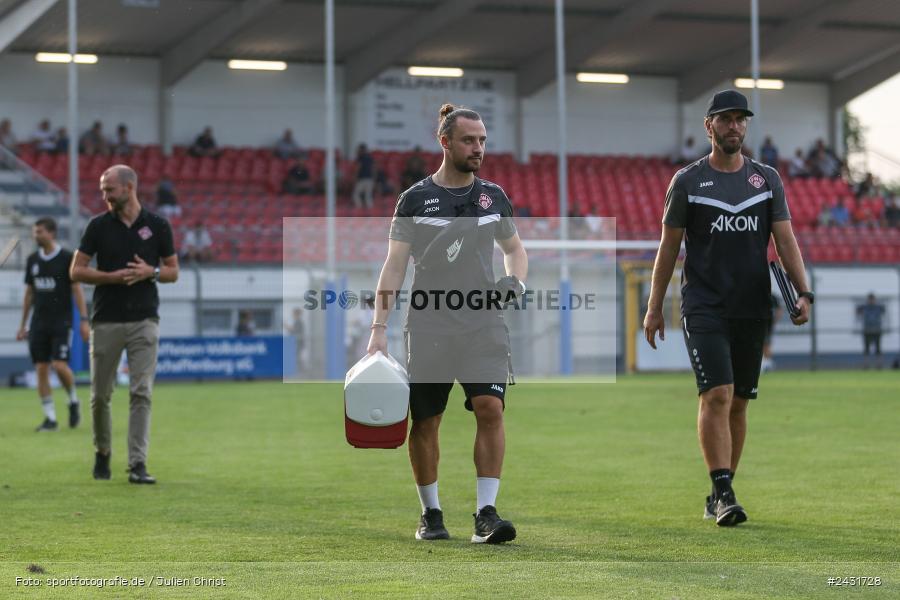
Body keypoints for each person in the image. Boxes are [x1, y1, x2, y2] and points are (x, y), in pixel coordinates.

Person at [643, 90, 813, 527]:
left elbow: (785, 239)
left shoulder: (766, 179)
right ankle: (723, 491)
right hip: (704, 305)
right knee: (716, 393)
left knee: (739, 402)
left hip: (751, 305)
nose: (734, 126)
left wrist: (803, 290)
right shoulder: (686, 181)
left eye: (741, 120)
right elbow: (668, 247)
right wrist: (654, 305)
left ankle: (721, 491)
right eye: (726, 119)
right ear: (709, 126)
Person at [367, 103, 528, 544]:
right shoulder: (415, 199)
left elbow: (516, 249)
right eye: (469, 140)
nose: (478, 148)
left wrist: (515, 280)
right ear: (445, 142)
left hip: (484, 322)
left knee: (490, 408)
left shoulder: (493, 196)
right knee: (426, 421)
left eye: (482, 141)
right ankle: (431, 514)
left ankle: (486, 515)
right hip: (429, 325)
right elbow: (394, 267)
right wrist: (378, 328)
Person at [70, 164, 179, 484]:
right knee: (100, 395)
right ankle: (102, 452)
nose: (104, 195)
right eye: (103, 190)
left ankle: (137, 464)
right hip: (106, 321)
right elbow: (76, 271)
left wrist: (152, 272)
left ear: (129, 188)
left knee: (141, 392)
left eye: (109, 189)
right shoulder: (97, 226)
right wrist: (109, 278)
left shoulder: (158, 226)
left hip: (145, 320)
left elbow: (173, 271)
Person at [16, 217, 90, 431]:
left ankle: (73, 399)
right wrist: (23, 324)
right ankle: (50, 419)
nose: (35, 235)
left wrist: (84, 320)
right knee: (40, 368)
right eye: (34, 231)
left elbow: (77, 289)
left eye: (39, 231)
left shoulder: (67, 258)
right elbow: (29, 294)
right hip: (38, 323)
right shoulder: (32, 260)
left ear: (51, 233)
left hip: (61, 322)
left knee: (59, 365)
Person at [857, 293, 886, 369]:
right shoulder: (864, 307)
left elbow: (884, 311)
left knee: (878, 349)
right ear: (868, 300)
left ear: (875, 300)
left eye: (872, 299)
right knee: (866, 349)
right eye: (870, 299)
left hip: (877, 330)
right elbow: (858, 311)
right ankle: (866, 365)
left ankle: (879, 365)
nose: (871, 301)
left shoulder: (878, 307)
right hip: (867, 331)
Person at [761, 294, 783, 373]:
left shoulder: (772, 297)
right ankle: (766, 365)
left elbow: (779, 310)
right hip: (758, 325)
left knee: (766, 345)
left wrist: (774, 320)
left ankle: (768, 365)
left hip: (767, 326)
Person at [352, 143, 375, 209]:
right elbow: (373, 169)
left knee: (356, 194)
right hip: (369, 179)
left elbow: (358, 168)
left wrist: (355, 178)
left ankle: (359, 209)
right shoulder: (370, 157)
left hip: (362, 179)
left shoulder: (360, 157)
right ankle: (370, 211)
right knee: (368, 196)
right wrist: (373, 179)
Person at [284, 307, 306, 376]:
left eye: (294, 314)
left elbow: (294, 331)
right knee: (296, 357)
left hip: (298, 343)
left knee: (297, 357)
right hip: (296, 343)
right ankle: (298, 370)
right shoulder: (297, 322)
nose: (293, 315)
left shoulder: (299, 322)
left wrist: (286, 326)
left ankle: (300, 371)